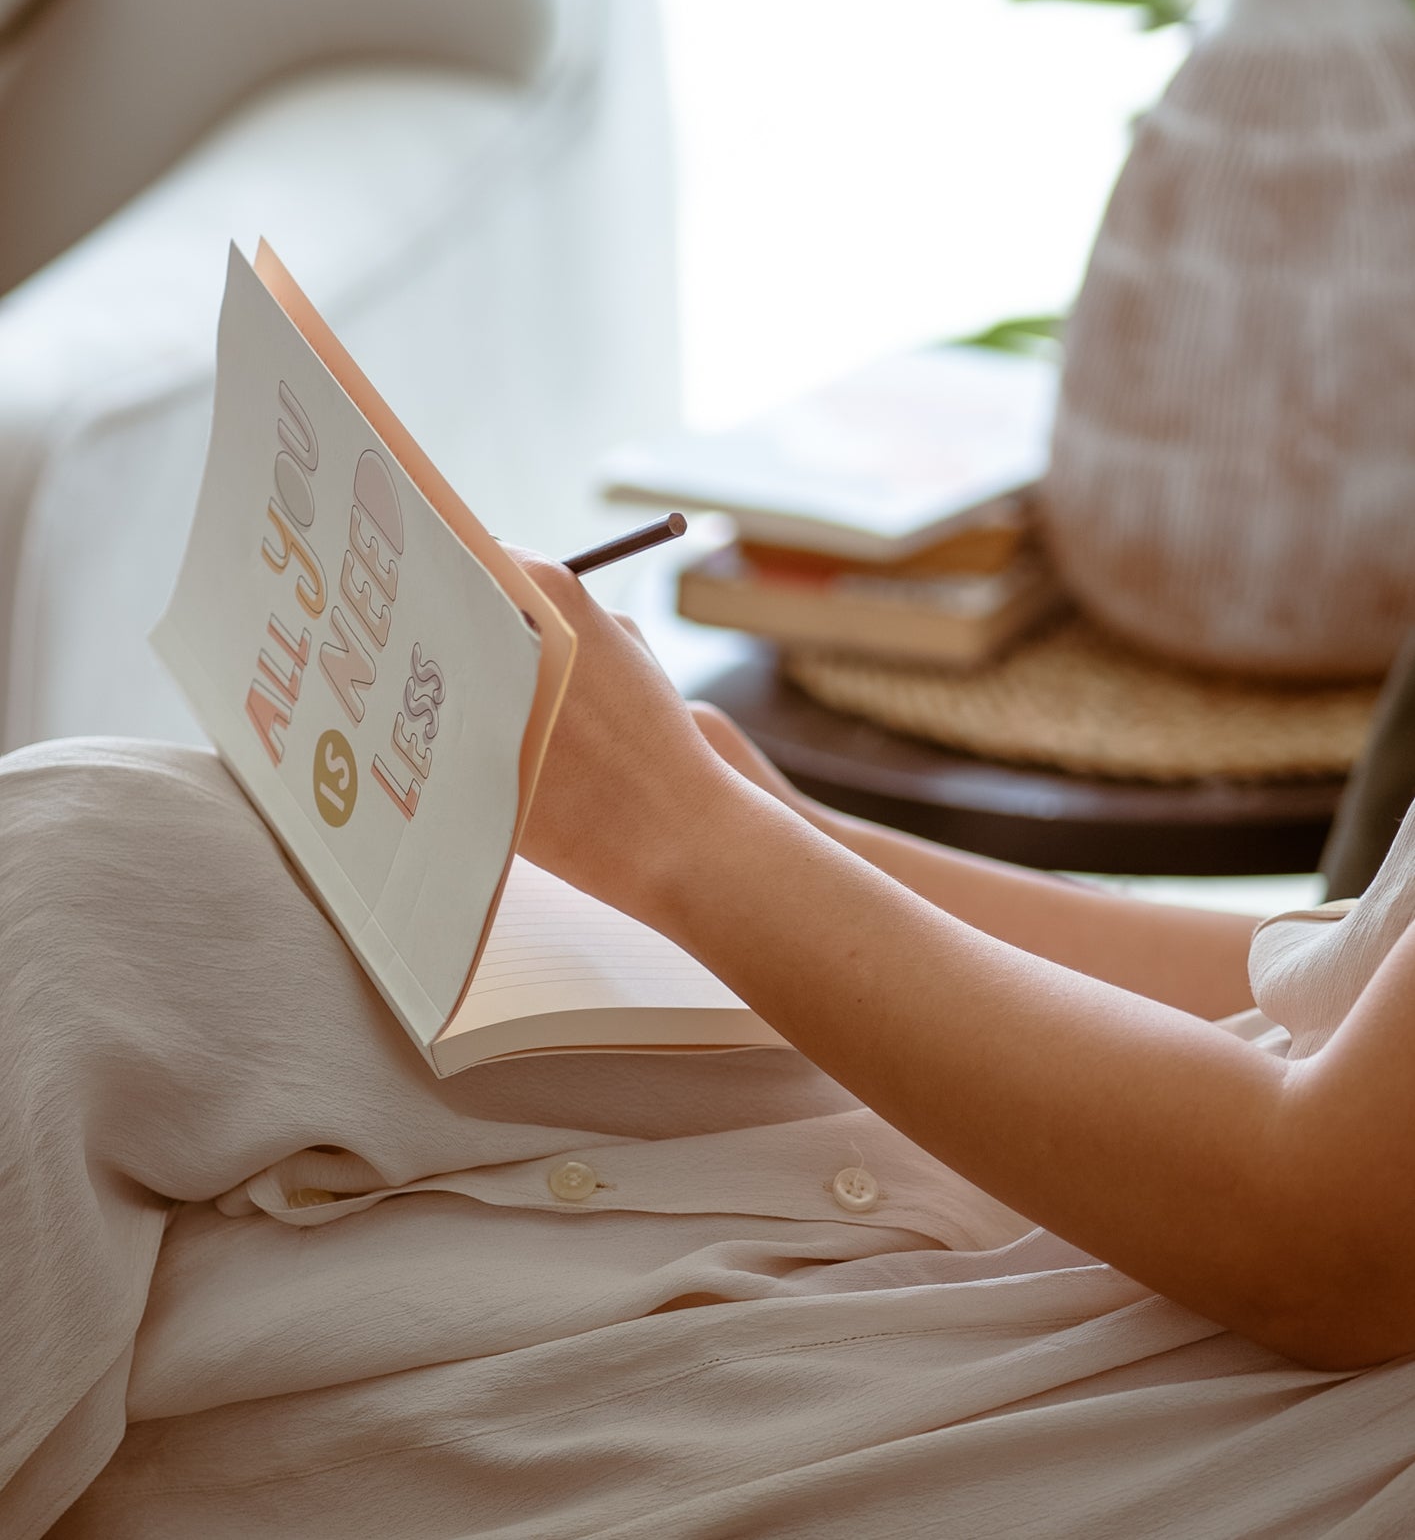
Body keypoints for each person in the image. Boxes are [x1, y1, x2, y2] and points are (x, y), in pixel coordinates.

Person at [5, 559, 1415, 1538]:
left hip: (1243, 1342)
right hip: (1190, 1111)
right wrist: (790, 832)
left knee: (238, 1332)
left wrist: (689, 836)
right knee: (91, 871)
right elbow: (1325, 963)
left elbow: (1335, 1244)